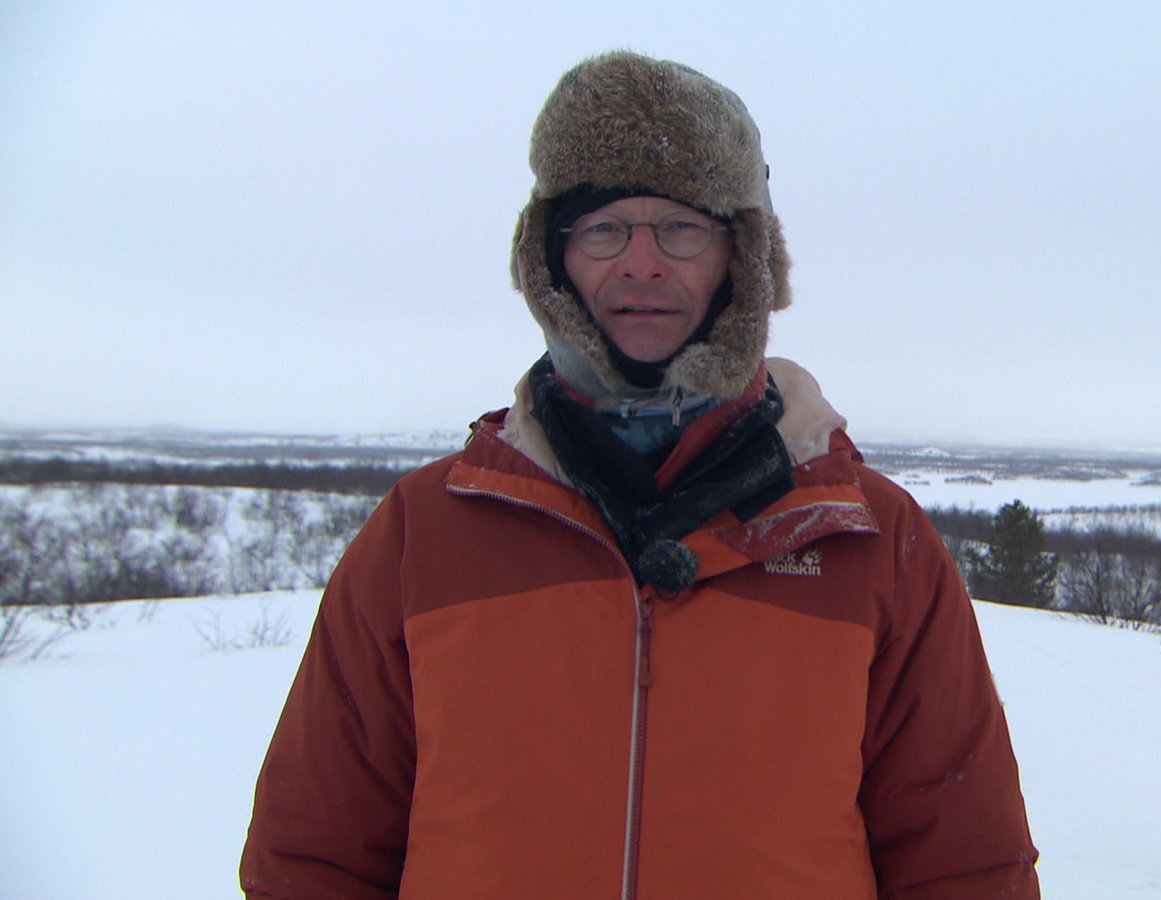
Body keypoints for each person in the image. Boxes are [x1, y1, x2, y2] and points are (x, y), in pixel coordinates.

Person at [240, 49, 1039, 899]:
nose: (643, 263)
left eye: (683, 228)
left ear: (744, 259)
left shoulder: (868, 538)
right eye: (605, 228)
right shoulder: (427, 531)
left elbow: (965, 868)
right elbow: (314, 860)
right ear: (551, 257)